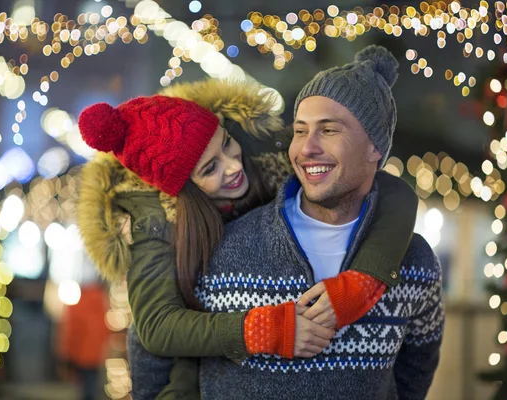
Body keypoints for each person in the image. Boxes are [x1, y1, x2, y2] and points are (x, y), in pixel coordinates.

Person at [77, 77, 418, 398]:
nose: (232, 166)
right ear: (181, 192)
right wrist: (263, 330)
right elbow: (157, 327)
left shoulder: (270, 161)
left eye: (226, 143)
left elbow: (390, 192)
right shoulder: (155, 224)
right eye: (210, 169)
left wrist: (363, 281)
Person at [194, 45, 445, 399]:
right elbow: (161, 357)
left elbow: (417, 364)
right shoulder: (225, 246)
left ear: (375, 147)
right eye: (299, 130)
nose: (306, 147)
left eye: (328, 130)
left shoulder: (414, 261)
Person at [57, 282, 110, 400]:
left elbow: (71, 332)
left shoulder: (76, 304)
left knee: (84, 391)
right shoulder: (101, 305)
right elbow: (106, 332)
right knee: (92, 389)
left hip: (80, 357)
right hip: (96, 356)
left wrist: (66, 354)